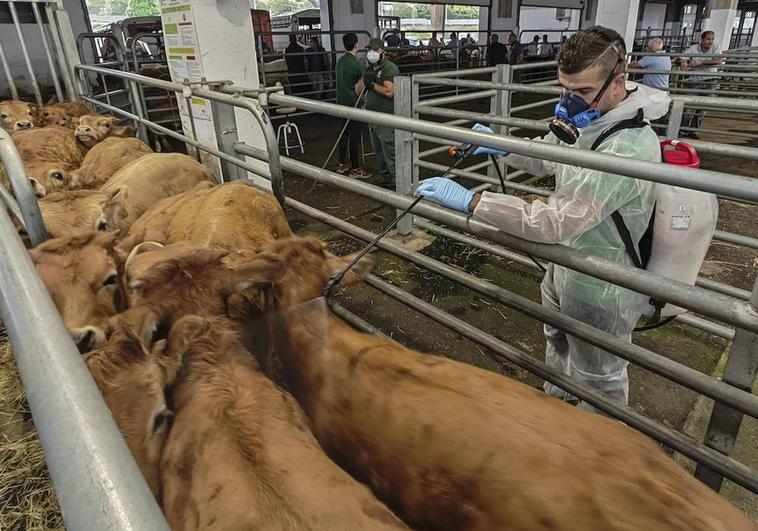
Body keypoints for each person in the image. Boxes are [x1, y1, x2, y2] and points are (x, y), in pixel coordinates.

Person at [416, 26, 670, 413]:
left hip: (602, 284)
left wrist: (475, 202)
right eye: (564, 89)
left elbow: (555, 221)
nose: (569, 102)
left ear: (618, 80)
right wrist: (502, 146)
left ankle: (593, 454)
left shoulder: (629, 147)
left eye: (582, 92)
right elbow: (551, 154)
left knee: (597, 377)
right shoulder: (593, 120)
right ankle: (559, 420)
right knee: (558, 348)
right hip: (563, 266)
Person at [363, 38, 399, 188]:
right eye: (370, 50)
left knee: (388, 148)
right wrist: (365, 78)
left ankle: (397, 179)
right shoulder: (370, 69)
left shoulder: (389, 68)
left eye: (375, 50)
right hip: (372, 116)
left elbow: (389, 91)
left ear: (382, 52)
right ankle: (385, 176)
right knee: (378, 148)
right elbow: (358, 90)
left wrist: (371, 84)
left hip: (386, 115)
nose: (372, 53)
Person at [335, 33, 372, 179]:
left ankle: (342, 163)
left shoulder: (340, 61)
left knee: (344, 134)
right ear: (356, 44)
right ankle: (356, 168)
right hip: (354, 103)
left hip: (341, 103)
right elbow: (361, 86)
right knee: (355, 137)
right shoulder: (356, 65)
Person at [679, 30, 723, 137]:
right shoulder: (693, 49)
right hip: (694, 81)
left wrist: (701, 62)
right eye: (708, 39)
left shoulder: (715, 48)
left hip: (710, 81)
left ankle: (693, 131)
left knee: (702, 108)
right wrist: (682, 62)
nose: (710, 41)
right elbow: (680, 58)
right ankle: (682, 131)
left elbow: (719, 61)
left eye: (712, 39)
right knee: (688, 107)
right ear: (702, 40)